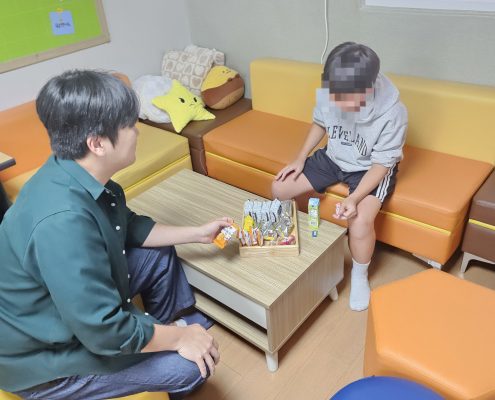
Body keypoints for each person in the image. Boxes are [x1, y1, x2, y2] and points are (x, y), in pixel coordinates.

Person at [0, 70, 232, 399]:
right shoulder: (63, 224)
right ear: (97, 143)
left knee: (158, 254)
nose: (138, 131)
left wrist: (197, 233)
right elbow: (105, 332)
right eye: (129, 125)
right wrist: (181, 339)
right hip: (46, 360)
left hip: (73, 314)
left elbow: (130, 226)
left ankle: (164, 330)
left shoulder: (76, 172)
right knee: (190, 368)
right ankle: (172, 347)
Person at [272, 42, 408, 312]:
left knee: (359, 222)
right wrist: (300, 158)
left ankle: (360, 275)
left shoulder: (393, 113)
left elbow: (382, 164)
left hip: (369, 168)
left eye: (342, 98)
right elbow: (320, 123)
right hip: (334, 156)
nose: (333, 101)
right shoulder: (331, 87)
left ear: (367, 90)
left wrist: (354, 199)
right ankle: (293, 240)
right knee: (279, 188)